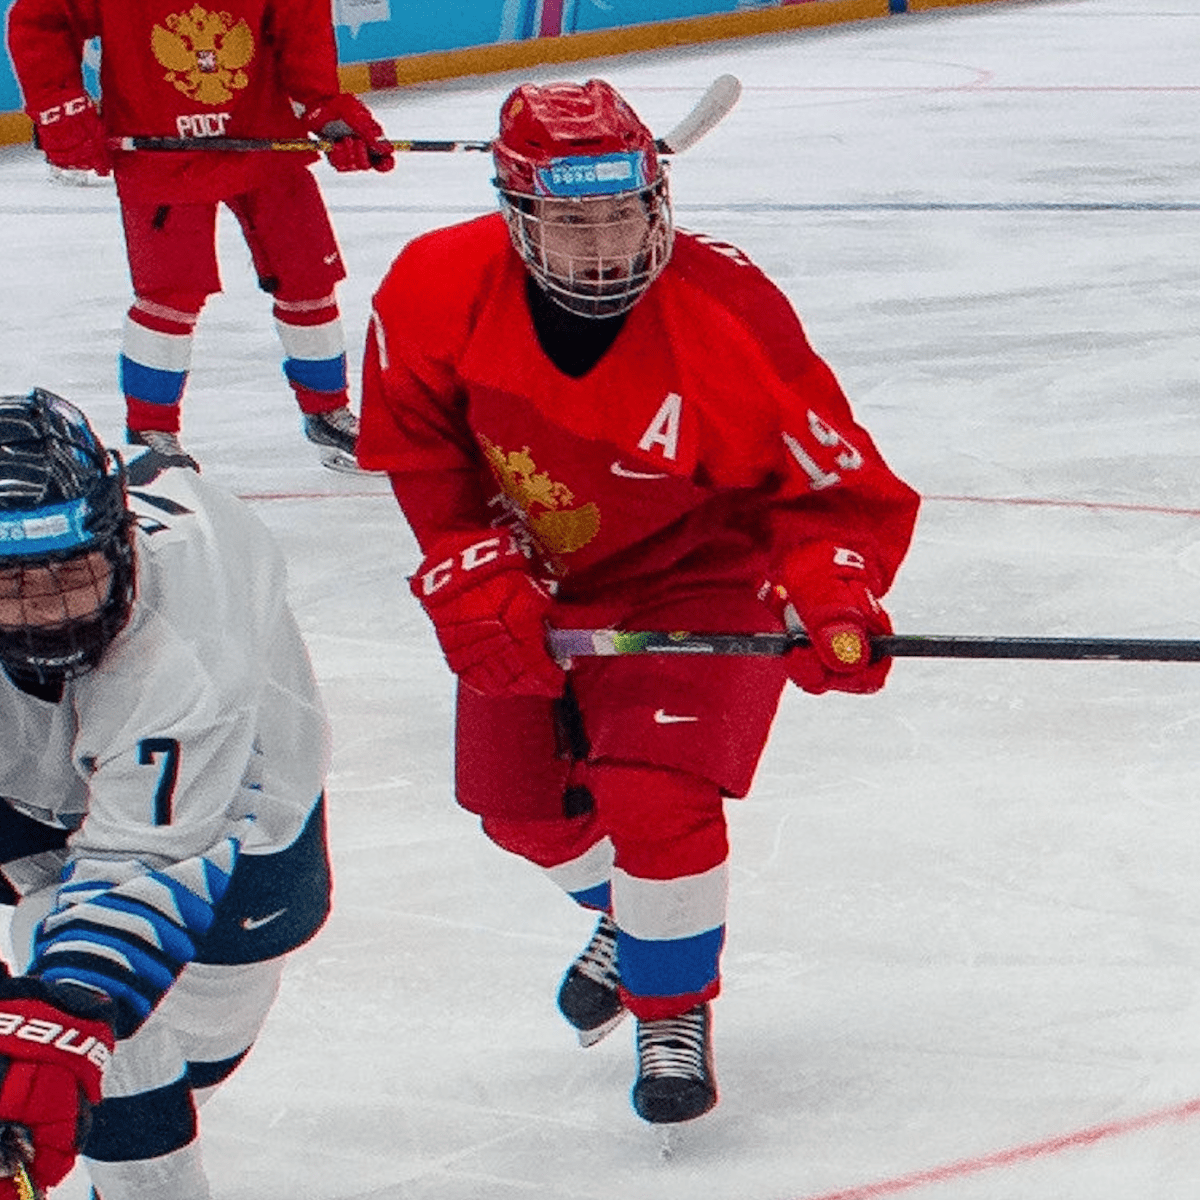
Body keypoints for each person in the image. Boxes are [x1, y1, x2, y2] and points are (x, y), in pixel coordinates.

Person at [357, 77, 920, 1125]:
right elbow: (426, 456)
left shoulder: (724, 309)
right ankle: (640, 918)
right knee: (520, 811)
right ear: (519, 212)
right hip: (533, 572)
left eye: (624, 211)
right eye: (574, 219)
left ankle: (672, 1008)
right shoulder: (434, 288)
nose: (606, 241)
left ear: (658, 200)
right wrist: (471, 564)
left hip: (696, 573)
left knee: (656, 797)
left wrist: (831, 589)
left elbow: (832, 487)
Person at [0, 388, 331, 1200]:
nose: (48, 614)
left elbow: (137, 863)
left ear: (117, 543)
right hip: (36, 795)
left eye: (72, 574)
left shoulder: (186, 633)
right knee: (71, 998)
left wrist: (61, 1030)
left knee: (158, 1038)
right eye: (12, 587)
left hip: (237, 810)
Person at [6, 0, 396, 473]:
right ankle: (152, 433)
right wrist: (59, 107)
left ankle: (327, 412)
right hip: (161, 151)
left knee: (308, 275)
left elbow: (302, 39)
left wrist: (329, 113)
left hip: (264, 137)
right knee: (171, 294)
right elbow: (41, 19)